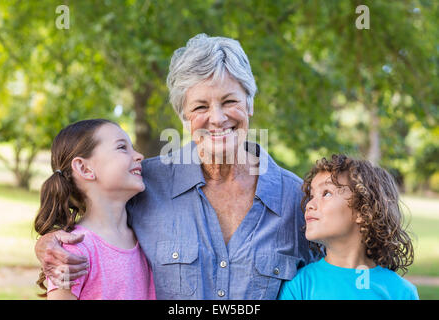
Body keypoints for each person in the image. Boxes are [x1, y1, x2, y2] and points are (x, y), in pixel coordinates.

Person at [34, 34, 318, 300]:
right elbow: (94, 217)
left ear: (249, 104)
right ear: (184, 115)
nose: (217, 119)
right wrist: (47, 244)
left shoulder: (297, 198)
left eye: (230, 101)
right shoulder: (146, 184)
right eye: (200, 107)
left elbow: (344, 263)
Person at [34, 119, 156, 300]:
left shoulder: (146, 236)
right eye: (122, 147)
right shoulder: (72, 252)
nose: (139, 156)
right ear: (84, 168)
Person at [278, 154, 419, 300]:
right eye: (312, 196)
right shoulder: (300, 286)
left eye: (326, 193)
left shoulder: (401, 292)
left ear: (364, 211)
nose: (309, 205)